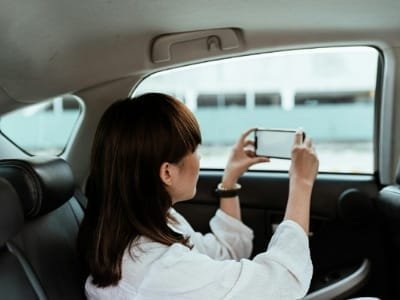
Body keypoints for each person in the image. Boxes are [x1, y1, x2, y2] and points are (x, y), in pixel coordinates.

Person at [78, 92, 319, 299]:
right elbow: (284, 282)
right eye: (194, 150)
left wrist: (230, 180)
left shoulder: (157, 224)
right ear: (167, 172)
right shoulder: (159, 270)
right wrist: (302, 183)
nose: (200, 158)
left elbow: (226, 253)